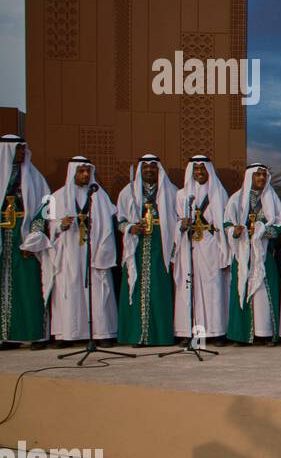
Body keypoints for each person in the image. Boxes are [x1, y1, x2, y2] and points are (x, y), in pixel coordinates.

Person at [48, 158, 117, 345]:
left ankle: (101, 333)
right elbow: (48, 225)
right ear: (73, 173)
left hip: (94, 251)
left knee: (98, 291)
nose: (86, 175)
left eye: (88, 171)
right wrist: (60, 225)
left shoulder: (99, 196)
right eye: (81, 171)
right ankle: (68, 333)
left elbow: (109, 227)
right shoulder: (58, 196)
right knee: (69, 290)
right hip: (69, 252)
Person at [116, 154, 178, 347]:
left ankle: (160, 336)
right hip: (137, 244)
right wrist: (130, 228)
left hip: (161, 246)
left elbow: (177, 219)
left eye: (153, 167)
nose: (149, 170)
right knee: (135, 287)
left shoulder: (171, 191)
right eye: (145, 168)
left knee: (159, 289)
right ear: (140, 170)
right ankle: (137, 335)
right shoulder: (129, 192)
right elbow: (119, 221)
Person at [0, 135, 51, 348]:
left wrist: (33, 239)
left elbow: (45, 208)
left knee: (29, 287)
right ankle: (8, 336)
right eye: (18, 149)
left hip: (25, 239)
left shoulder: (34, 177)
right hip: (3, 237)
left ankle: (33, 334)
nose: (22, 153)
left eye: (24, 148)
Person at [224, 163, 281, 345]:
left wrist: (263, 232)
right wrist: (235, 231)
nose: (261, 179)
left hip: (264, 254)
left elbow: (280, 225)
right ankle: (241, 334)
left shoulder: (272, 198)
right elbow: (227, 224)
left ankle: (265, 334)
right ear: (250, 177)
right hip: (243, 254)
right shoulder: (236, 198)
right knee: (241, 288)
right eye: (257, 175)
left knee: (265, 293)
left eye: (264, 176)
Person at [174, 155, 231, 345]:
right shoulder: (182, 194)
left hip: (211, 244)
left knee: (213, 287)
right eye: (196, 169)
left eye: (202, 169)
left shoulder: (218, 192)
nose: (199, 172)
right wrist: (181, 226)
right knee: (189, 287)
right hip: (189, 245)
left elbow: (223, 223)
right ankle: (189, 332)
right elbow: (176, 222)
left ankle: (216, 332)